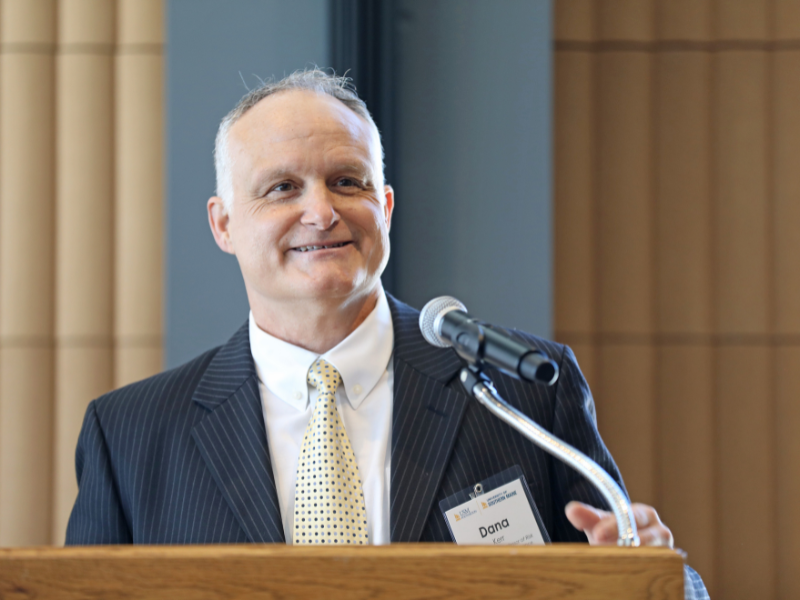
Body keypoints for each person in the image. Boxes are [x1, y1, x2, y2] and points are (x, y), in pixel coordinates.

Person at [65, 69, 707, 597]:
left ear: (387, 207)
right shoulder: (130, 435)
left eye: (347, 182)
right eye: (282, 188)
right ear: (224, 224)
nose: (322, 211)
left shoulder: (521, 389)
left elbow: (634, 572)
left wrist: (658, 582)